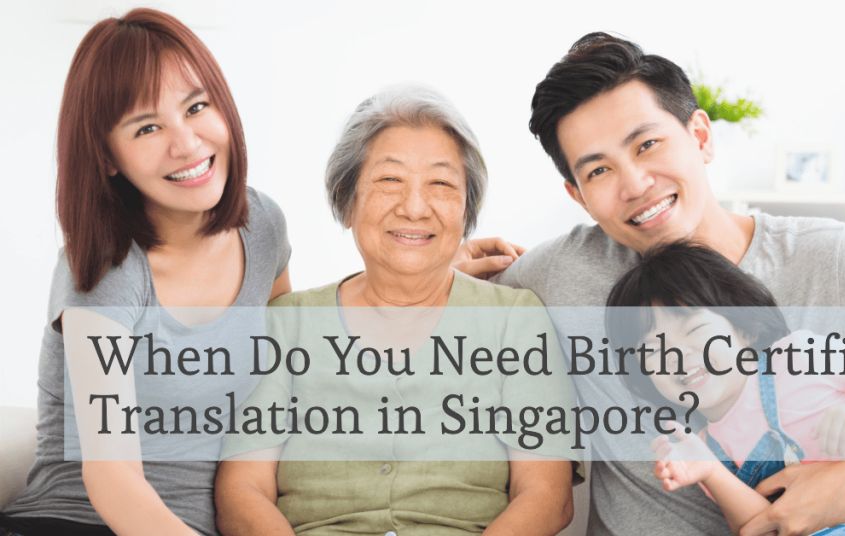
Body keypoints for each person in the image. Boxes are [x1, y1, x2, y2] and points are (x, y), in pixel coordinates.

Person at [475, 32, 845, 536]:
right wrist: (443, 253)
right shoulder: (561, 274)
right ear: (577, 195)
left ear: (701, 135)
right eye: (598, 171)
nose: (636, 185)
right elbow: (428, 292)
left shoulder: (835, 262)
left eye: (647, 145)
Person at [214, 83, 579, 536]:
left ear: (466, 212)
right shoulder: (286, 324)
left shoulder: (516, 321)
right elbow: (241, 493)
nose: (414, 207)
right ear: (347, 201)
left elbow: (546, 495)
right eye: (390, 180)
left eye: (441, 184)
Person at [0, 9, 291, 536]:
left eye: (197, 106)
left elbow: (294, 349)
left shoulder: (262, 225)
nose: (186, 144)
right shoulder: (105, 269)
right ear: (108, 157)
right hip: (75, 521)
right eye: (148, 127)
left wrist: (425, 269)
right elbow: (113, 478)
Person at [605, 240, 845, 535]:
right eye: (652, 350)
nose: (677, 355)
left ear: (744, 330)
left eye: (695, 331)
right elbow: (764, 526)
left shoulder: (796, 355)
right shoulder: (704, 449)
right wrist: (711, 472)